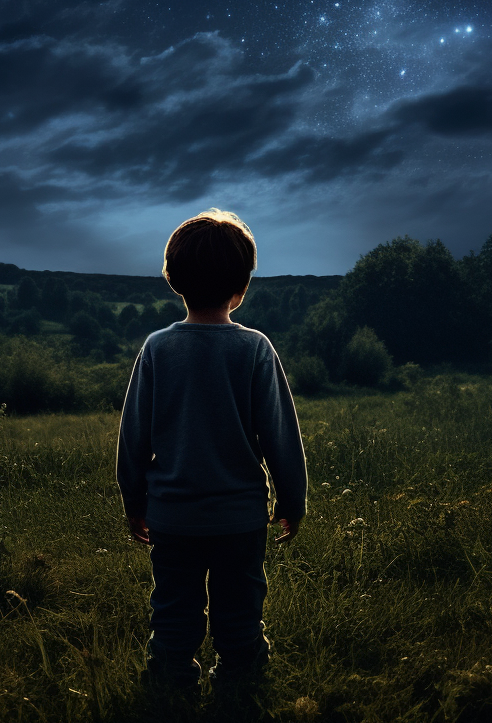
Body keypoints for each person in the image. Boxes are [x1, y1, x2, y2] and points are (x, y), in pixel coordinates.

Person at [116, 208, 309, 697]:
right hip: (239, 519)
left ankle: (171, 687)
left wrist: (133, 501)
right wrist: (293, 499)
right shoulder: (255, 349)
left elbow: (133, 436)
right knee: (240, 610)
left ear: (173, 279)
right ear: (242, 283)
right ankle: (241, 687)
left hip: (172, 517)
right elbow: (280, 435)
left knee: (174, 609)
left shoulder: (157, 347)